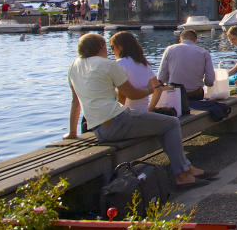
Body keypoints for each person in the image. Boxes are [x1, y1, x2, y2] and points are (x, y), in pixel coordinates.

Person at [65, 33, 214, 189]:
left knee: (161, 124)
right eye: (107, 48)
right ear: (101, 47)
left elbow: (76, 102)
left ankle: (185, 168)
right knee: (171, 123)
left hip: (99, 129)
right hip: (117, 121)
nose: (109, 50)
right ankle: (182, 174)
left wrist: (72, 133)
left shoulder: (74, 67)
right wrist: (151, 90)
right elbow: (132, 94)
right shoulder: (108, 65)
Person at [111, 31, 165, 112]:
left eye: (112, 47)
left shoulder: (120, 63)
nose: (112, 51)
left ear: (120, 46)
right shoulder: (144, 64)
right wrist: (149, 109)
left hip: (128, 113)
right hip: (143, 112)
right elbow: (158, 89)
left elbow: (121, 95)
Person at [157, 29, 216, 101]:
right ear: (195, 40)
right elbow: (210, 81)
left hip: (175, 95)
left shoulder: (169, 49)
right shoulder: (204, 52)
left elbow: (161, 78)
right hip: (195, 94)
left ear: (180, 40)